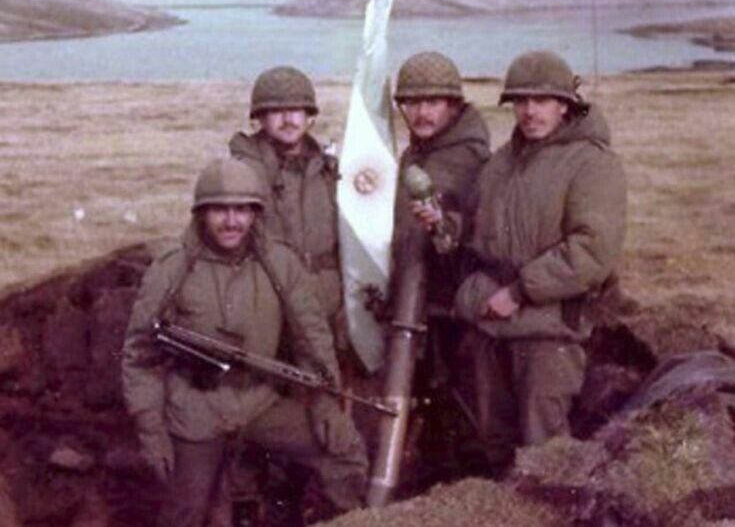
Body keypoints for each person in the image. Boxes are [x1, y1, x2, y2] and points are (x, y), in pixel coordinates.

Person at [121, 158, 367, 527]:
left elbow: (312, 338)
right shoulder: (171, 269)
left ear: (256, 213)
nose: (232, 221)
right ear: (201, 214)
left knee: (342, 451)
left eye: (242, 210)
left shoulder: (279, 263)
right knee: (184, 512)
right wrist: (151, 430)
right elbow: (139, 356)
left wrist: (325, 403)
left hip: (259, 403)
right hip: (193, 412)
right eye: (220, 210)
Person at [455, 50, 627, 470]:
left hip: (548, 332)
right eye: (521, 101)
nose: (530, 111)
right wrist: (447, 226)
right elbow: (478, 230)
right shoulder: (499, 164)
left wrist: (519, 291)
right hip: (490, 325)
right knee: (493, 442)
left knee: (545, 452)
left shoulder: (592, 162)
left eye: (542, 100)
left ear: (565, 104)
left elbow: (592, 249)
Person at [389, 51, 491, 472]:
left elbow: (462, 230)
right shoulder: (419, 154)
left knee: (453, 399)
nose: (421, 112)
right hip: (422, 301)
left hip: (451, 304)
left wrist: (442, 225)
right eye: (412, 103)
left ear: (453, 106)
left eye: (432, 102)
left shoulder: (464, 157)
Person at [228, 66, 346, 357]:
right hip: (271, 299)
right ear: (260, 118)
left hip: (329, 300)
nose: (288, 119)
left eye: (296, 110)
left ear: (309, 116)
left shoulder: (329, 170)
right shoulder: (243, 172)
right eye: (276, 111)